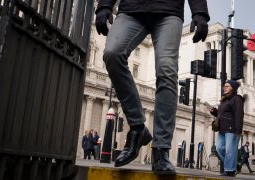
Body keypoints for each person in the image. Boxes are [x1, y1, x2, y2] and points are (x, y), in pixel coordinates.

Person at [95, 0, 209, 175]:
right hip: (131, 10)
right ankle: (138, 128)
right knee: (112, 53)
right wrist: (104, 6)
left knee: (166, 70)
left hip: (168, 12)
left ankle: (161, 150)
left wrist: (199, 13)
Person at [207, 80, 244, 177]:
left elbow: (239, 115)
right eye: (224, 86)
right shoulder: (224, 99)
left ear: (233, 88)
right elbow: (220, 114)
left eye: (227, 86)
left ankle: (230, 170)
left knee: (229, 150)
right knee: (219, 148)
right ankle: (235, 165)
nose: (225, 87)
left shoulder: (237, 99)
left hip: (232, 129)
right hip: (222, 129)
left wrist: (238, 131)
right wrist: (213, 111)